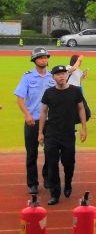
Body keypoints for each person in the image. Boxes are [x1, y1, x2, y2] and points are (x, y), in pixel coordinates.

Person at [38, 64, 88, 205]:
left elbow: (81, 109)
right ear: (53, 77)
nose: (61, 76)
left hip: (68, 133)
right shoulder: (49, 93)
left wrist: (84, 128)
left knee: (68, 162)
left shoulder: (76, 91)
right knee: (52, 164)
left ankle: (68, 183)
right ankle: (55, 193)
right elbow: (43, 112)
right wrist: (40, 133)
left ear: (67, 75)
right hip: (52, 133)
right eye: (58, 74)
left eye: (63, 73)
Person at [14, 48, 55, 194]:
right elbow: (19, 98)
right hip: (33, 121)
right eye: (41, 58)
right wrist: (27, 115)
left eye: (46, 57)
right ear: (34, 60)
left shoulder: (53, 76)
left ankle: (48, 179)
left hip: (50, 121)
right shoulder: (27, 77)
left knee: (50, 152)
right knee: (32, 153)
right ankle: (32, 183)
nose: (44, 60)